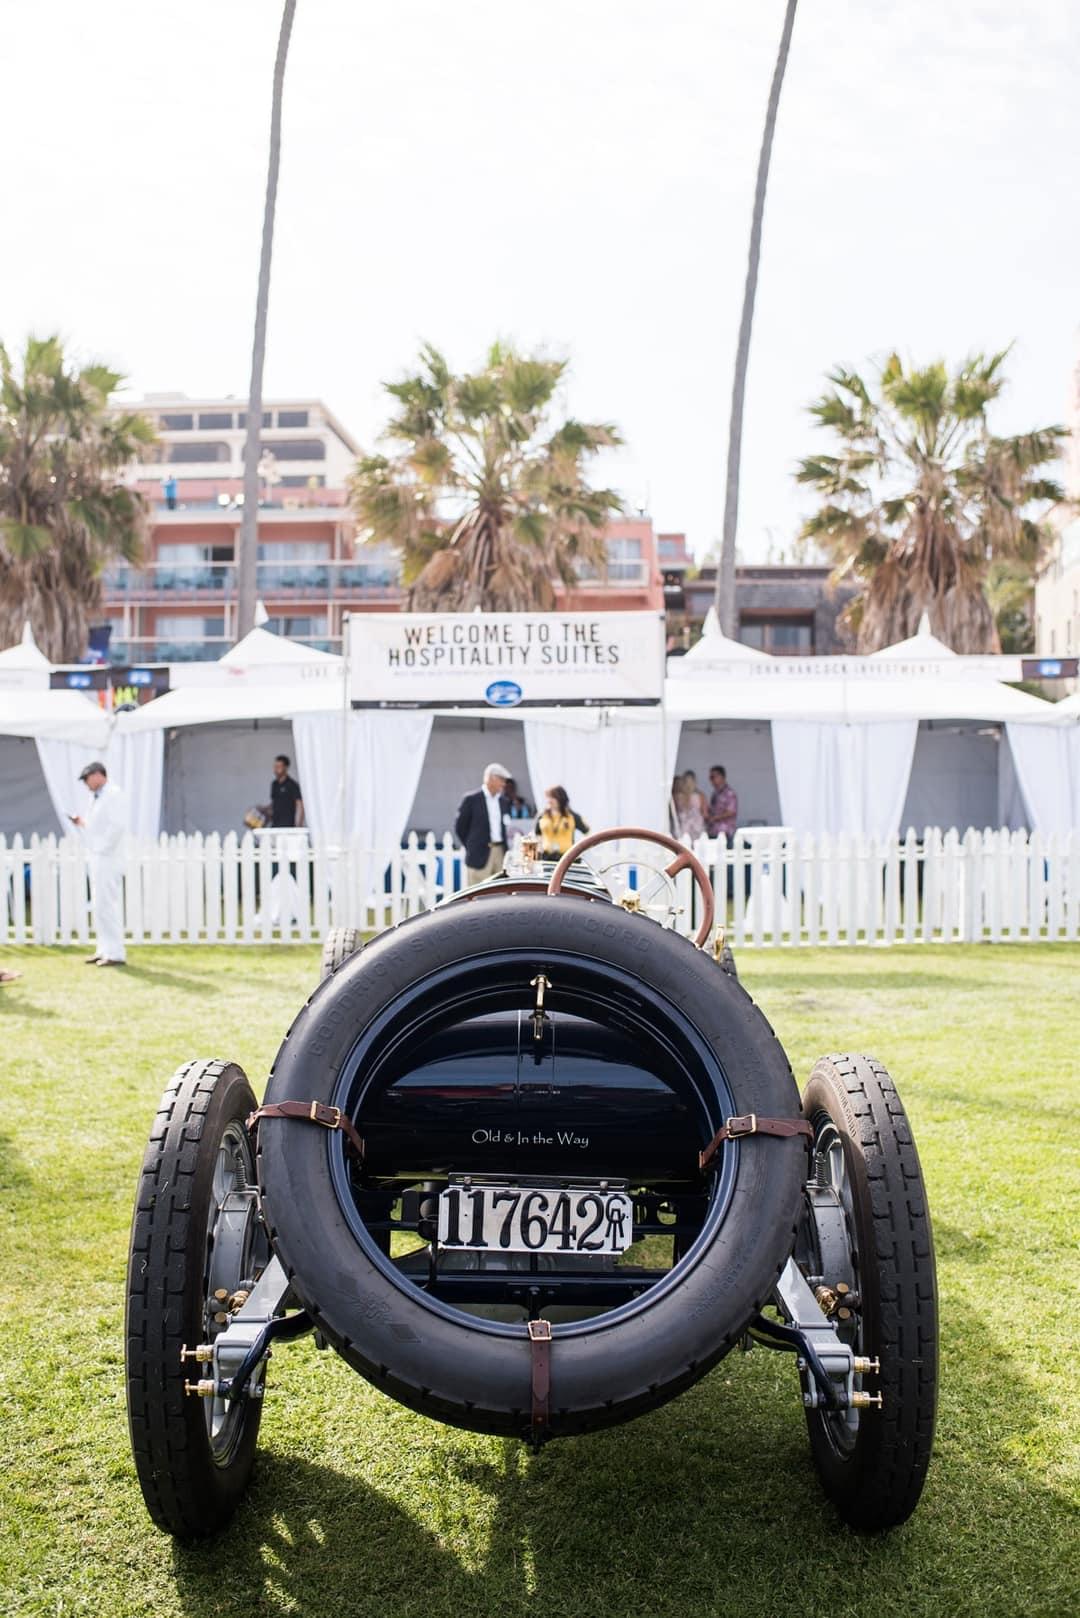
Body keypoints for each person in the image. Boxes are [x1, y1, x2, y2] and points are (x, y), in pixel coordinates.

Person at [71, 762, 128, 967]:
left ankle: (115, 953)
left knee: (107, 905)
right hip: (98, 856)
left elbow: (117, 826)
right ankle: (104, 949)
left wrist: (102, 848)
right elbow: (98, 826)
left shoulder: (113, 794)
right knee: (99, 905)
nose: (86, 784)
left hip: (108, 858)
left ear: (97, 775)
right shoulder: (97, 798)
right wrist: (82, 824)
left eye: (87, 779)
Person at [455, 763, 512, 885]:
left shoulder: (503, 801)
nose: (504, 784)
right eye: (501, 780)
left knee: (499, 890)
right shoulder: (471, 799)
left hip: (499, 852)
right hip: (479, 854)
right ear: (491, 778)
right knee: (477, 893)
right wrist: (472, 846)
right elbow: (460, 828)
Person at [536, 786, 589, 857]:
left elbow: (588, 833)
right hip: (546, 858)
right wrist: (539, 850)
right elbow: (537, 835)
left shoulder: (572, 816)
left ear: (561, 799)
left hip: (567, 859)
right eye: (548, 797)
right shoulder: (542, 816)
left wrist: (579, 849)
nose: (549, 801)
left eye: (552, 797)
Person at [265, 754, 304, 828]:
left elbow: (299, 805)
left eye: (278, 767)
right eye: (275, 767)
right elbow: (274, 803)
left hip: (288, 826)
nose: (276, 769)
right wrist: (263, 810)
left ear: (285, 767)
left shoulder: (292, 785)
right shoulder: (274, 784)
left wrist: (299, 825)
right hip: (275, 825)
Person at [706, 764, 739, 842]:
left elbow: (731, 812)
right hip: (714, 831)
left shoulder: (729, 793)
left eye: (713, 777)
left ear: (722, 777)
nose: (711, 780)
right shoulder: (715, 793)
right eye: (710, 777)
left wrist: (714, 818)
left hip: (726, 832)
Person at [674, 771, 707, 840]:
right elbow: (705, 813)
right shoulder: (700, 796)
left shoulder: (678, 796)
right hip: (698, 827)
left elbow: (676, 812)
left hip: (683, 827)